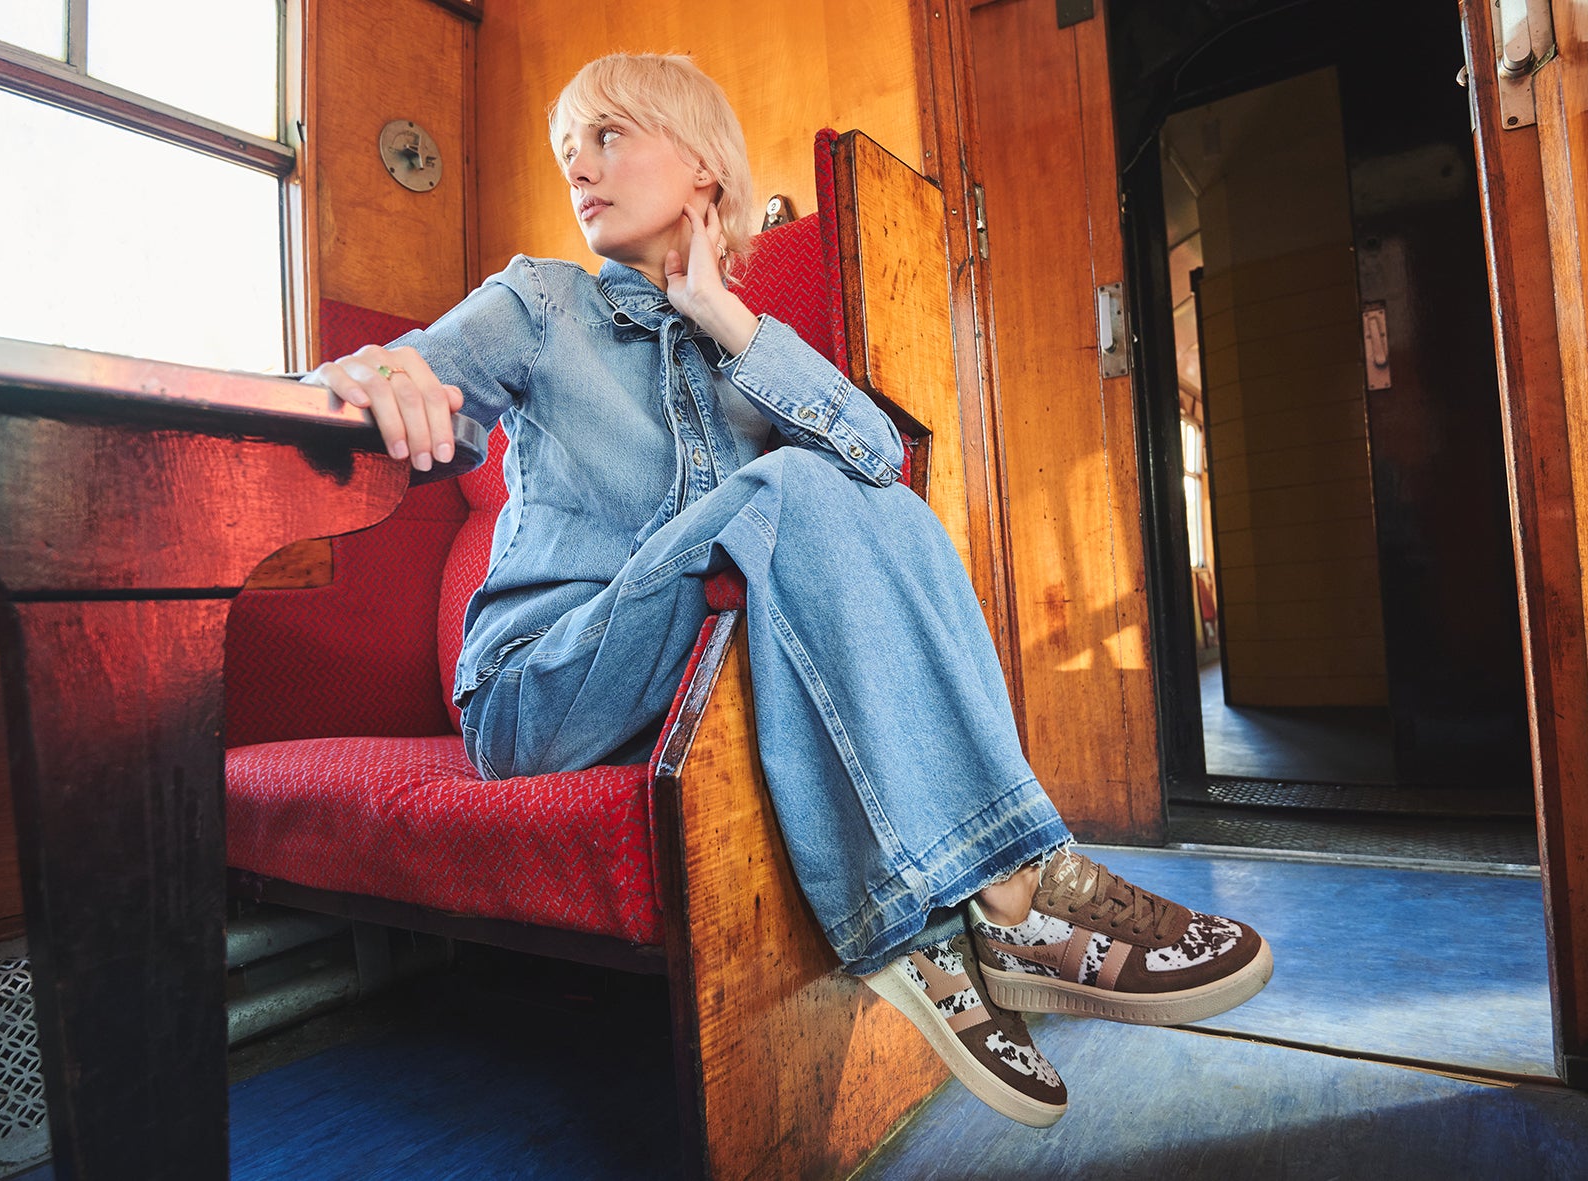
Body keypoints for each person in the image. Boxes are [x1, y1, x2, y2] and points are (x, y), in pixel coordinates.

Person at [305, 52, 1270, 1128]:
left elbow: (877, 458)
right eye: (566, 146)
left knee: (855, 488)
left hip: (678, 697)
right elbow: (417, 371)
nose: (577, 162)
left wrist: (720, 313)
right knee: (791, 483)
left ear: (702, 174)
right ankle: (1018, 885)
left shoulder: (753, 352)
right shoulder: (539, 300)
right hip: (539, 689)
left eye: (609, 134)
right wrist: (368, 375)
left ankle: (931, 929)